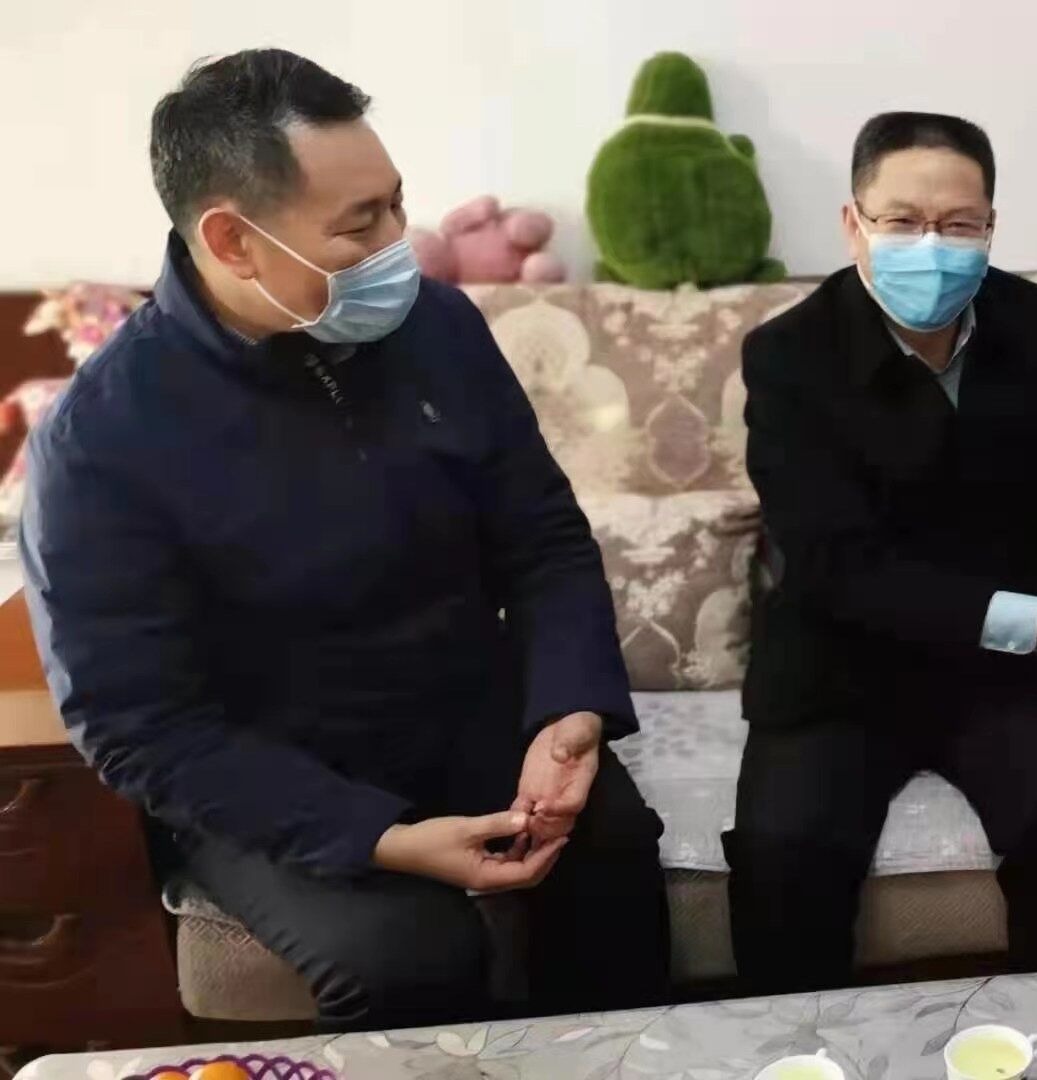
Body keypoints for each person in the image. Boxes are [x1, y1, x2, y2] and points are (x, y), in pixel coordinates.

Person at [21, 50, 668, 1031]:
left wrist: (567, 713)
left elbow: (543, 538)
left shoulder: (438, 327)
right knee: (409, 955)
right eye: (359, 224)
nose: (399, 243)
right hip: (270, 769)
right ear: (233, 240)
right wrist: (384, 840)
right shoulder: (101, 441)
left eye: (397, 204)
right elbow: (136, 725)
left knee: (611, 851)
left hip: (463, 712)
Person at [724, 112, 1037, 991]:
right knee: (784, 854)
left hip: (1006, 676)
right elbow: (832, 561)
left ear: (991, 226)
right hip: (839, 664)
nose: (931, 246)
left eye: (959, 224)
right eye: (901, 221)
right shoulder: (787, 354)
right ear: (853, 223)